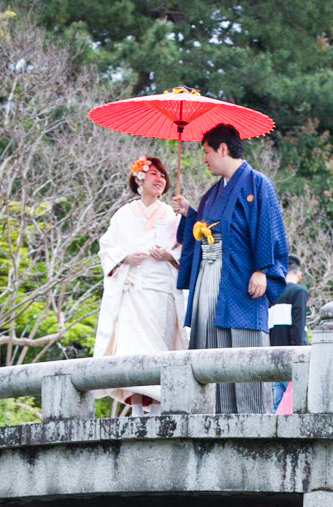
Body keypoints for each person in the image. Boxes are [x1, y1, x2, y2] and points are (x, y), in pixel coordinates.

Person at [171, 124, 288, 413]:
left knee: (243, 347)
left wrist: (264, 269)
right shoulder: (211, 195)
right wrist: (190, 214)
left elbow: (269, 229)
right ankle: (213, 417)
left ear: (223, 149)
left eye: (207, 152)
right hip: (210, 278)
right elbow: (207, 227)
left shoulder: (258, 184)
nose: (205, 159)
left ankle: (252, 423)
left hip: (240, 278)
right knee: (210, 345)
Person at [94, 156, 186, 416]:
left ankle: (157, 407)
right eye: (154, 174)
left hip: (161, 290)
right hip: (133, 290)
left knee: (160, 349)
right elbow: (107, 248)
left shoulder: (171, 213)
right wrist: (125, 258)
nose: (160, 180)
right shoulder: (123, 214)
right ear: (139, 178)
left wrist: (168, 256)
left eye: (163, 176)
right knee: (133, 349)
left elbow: (183, 250)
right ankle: (136, 407)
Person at [268, 253, 308, 412]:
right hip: (292, 358)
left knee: (275, 407)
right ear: (299, 274)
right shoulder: (299, 292)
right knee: (296, 407)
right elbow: (298, 328)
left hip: (271, 357)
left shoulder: (270, 292)